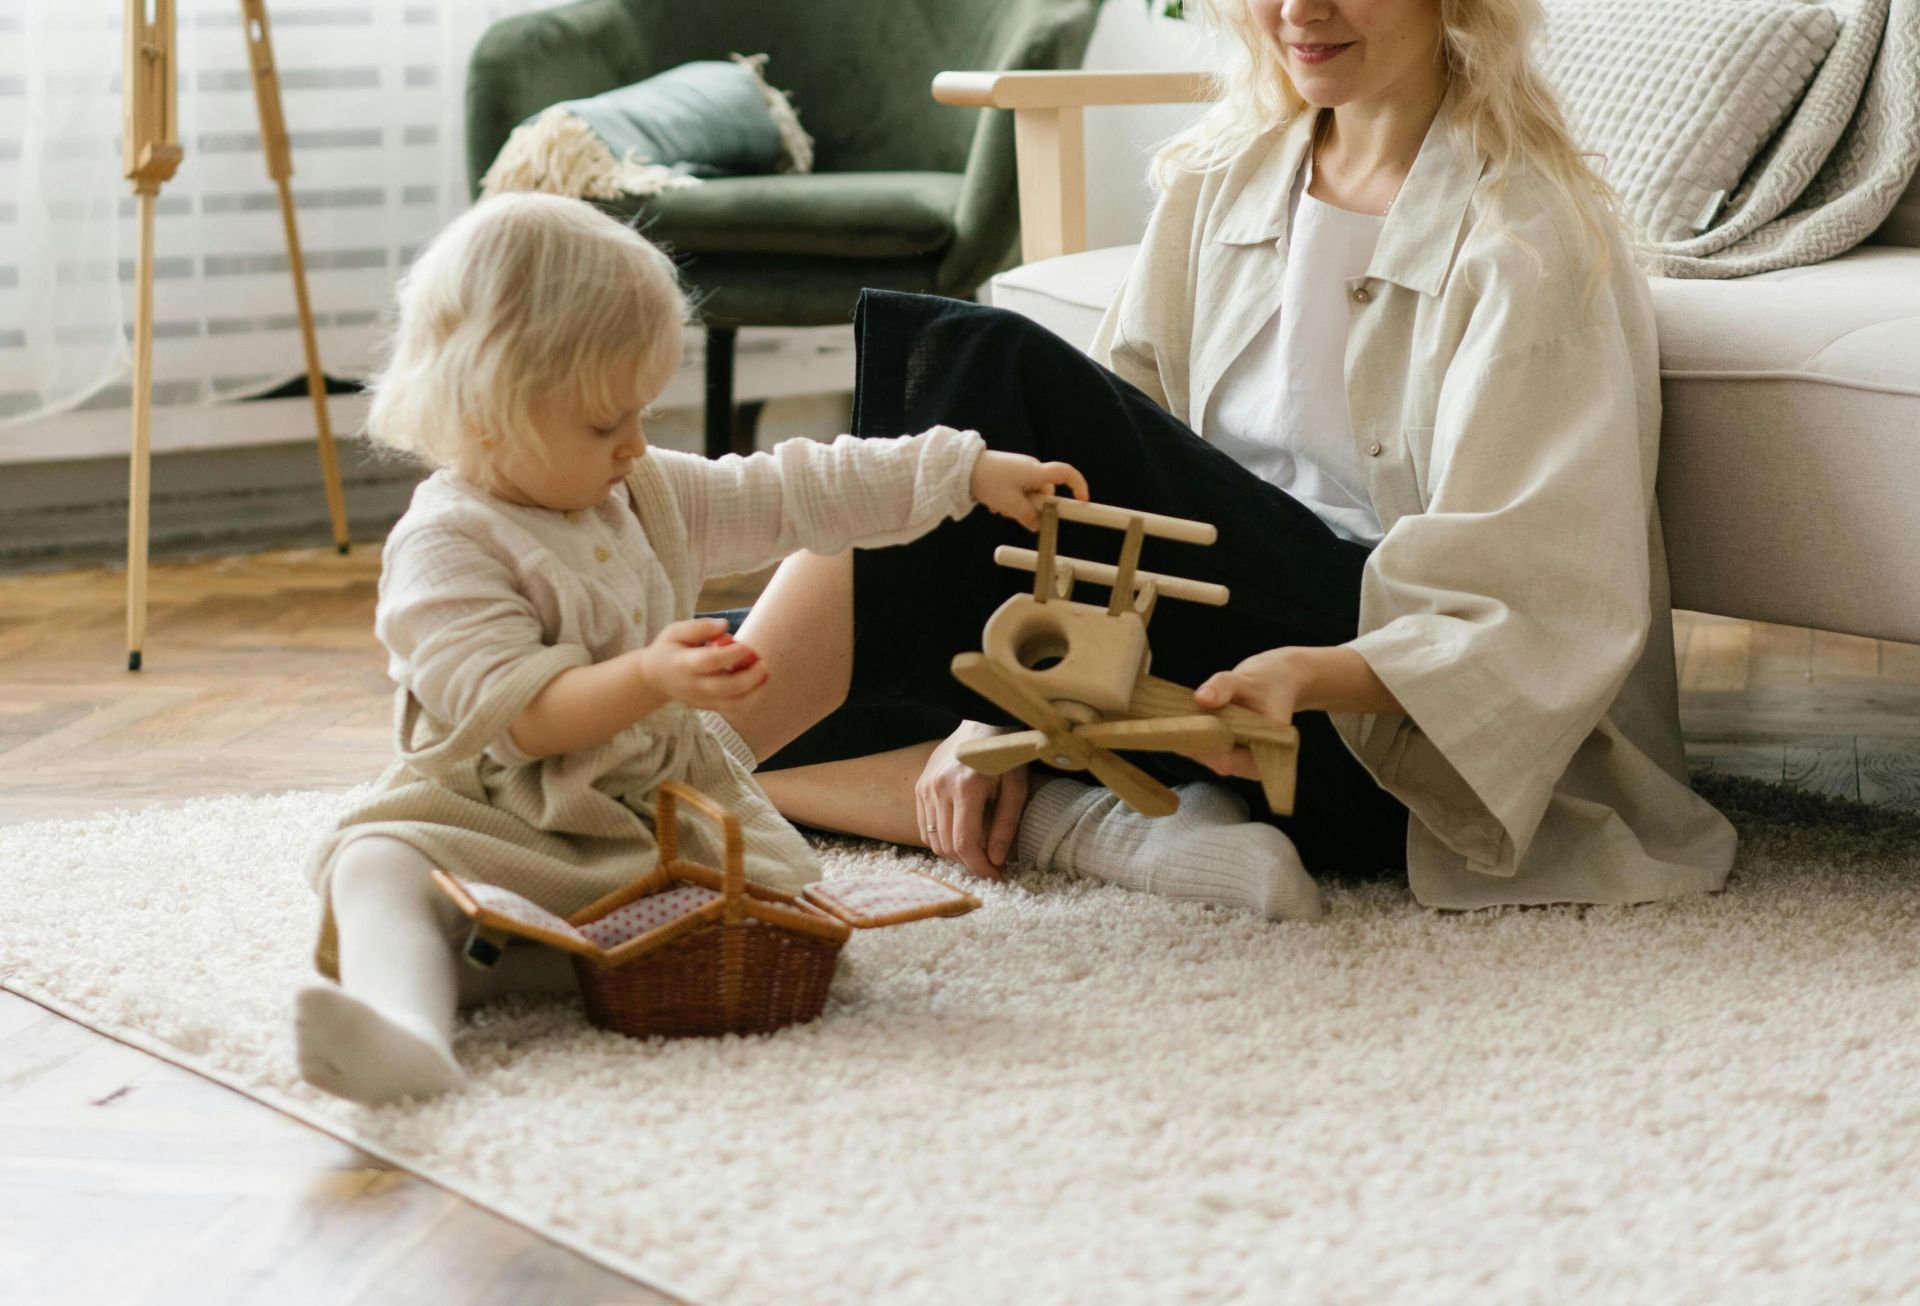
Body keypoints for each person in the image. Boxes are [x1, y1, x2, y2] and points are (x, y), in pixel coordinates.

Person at [707, 0, 1738, 918]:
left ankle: (628, 807)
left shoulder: (1530, 239)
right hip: (1192, 679)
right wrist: (1004, 707)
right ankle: (1099, 826)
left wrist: (1315, 671)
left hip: (1361, 728)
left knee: (980, 367)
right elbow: (1104, 466)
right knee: (708, 648)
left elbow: (1547, 595)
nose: (1299, 10)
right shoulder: (1226, 178)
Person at [294, 192, 1087, 1106]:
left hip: (652, 814)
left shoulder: (642, 491)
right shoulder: (447, 545)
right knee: (373, 862)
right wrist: (649, 676)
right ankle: (408, 1031)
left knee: (770, 918)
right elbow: (520, 722)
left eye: (642, 412)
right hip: (498, 812)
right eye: (604, 425)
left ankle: (515, 958)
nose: (635, 444)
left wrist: (964, 472)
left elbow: (800, 491)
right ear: (486, 413)